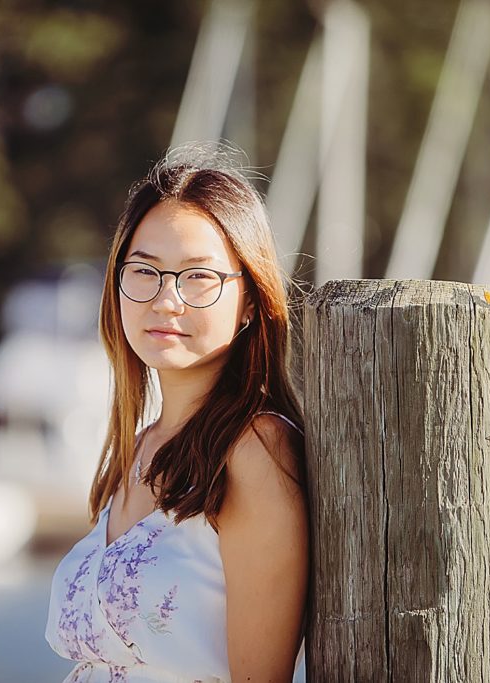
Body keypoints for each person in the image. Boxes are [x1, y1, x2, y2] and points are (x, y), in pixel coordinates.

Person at [45, 144, 308, 682]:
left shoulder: (253, 451)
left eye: (198, 277)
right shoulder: (136, 447)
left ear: (251, 301)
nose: (166, 300)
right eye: (145, 270)